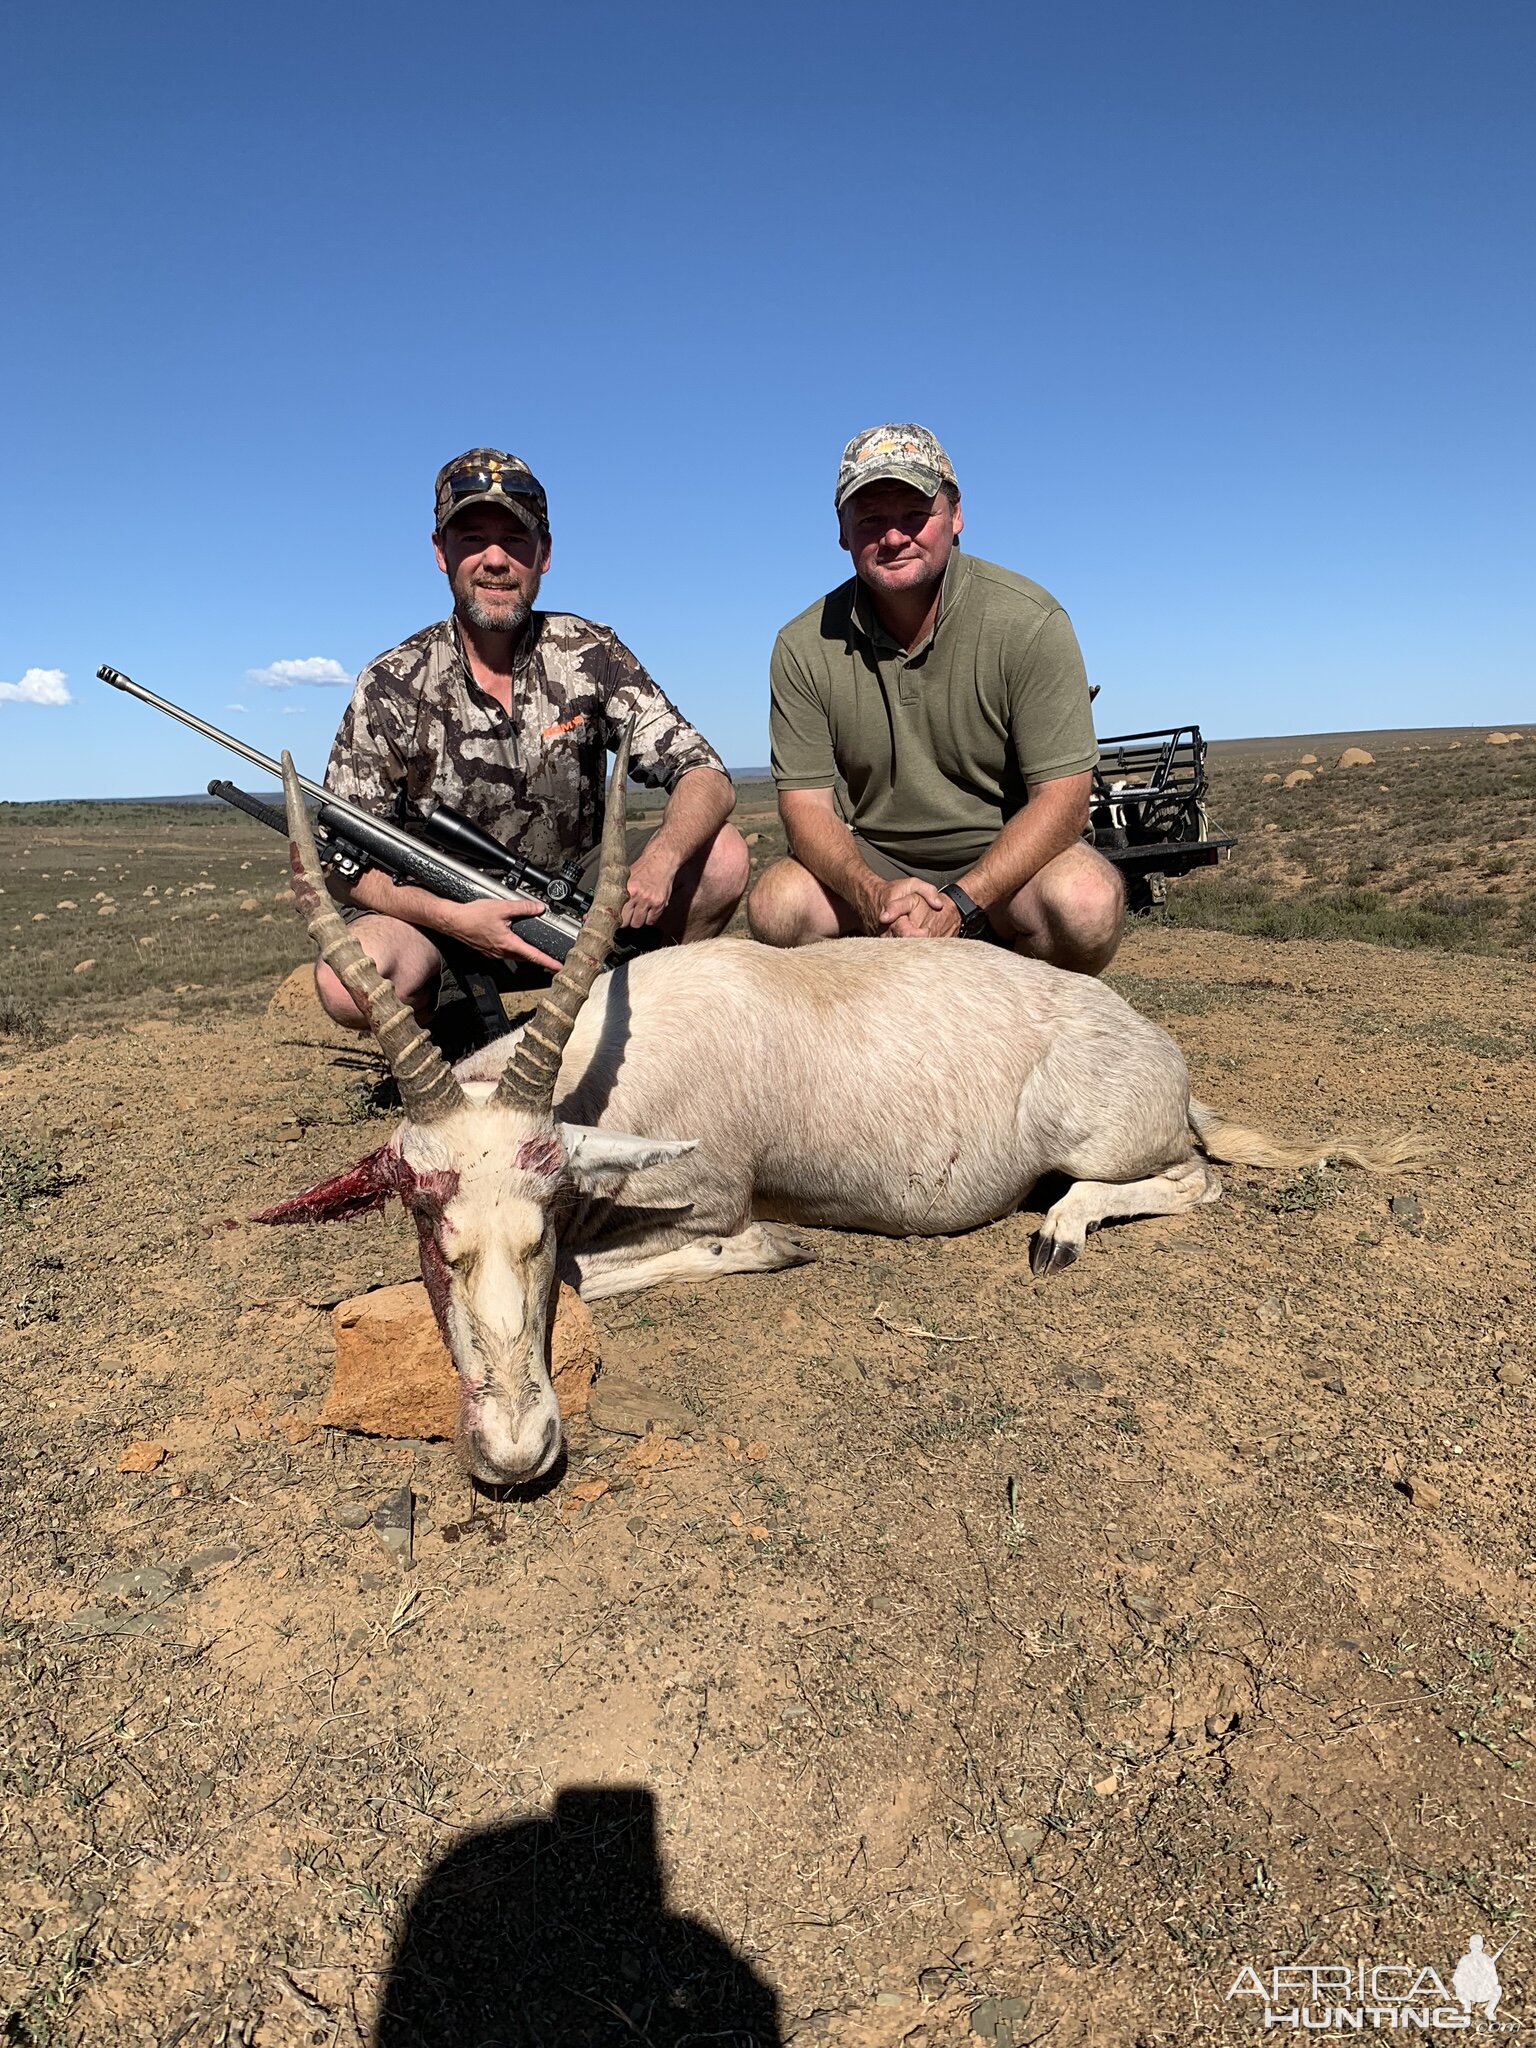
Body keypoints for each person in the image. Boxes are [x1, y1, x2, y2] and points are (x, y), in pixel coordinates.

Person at [318, 448, 748, 1027]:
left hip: (580, 911)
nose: (496, 560)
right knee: (348, 980)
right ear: (441, 552)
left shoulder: (589, 653)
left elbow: (706, 774)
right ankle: (440, 1038)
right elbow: (337, 864)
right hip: (441, 922)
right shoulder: (391, 683)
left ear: (544, 555)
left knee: (721, 857)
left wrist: (660, 862)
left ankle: (651, 1025)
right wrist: (450, 918)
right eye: (473, 539)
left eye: (516, 541)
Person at [748, 423, 1124, 974]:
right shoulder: (802, 644)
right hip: (876, 864)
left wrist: (964, 902)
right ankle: (860, 1040)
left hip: (1006, 863)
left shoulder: (1030, 621)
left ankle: (1027, 1025)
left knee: (1086, 903)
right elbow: (805, 808)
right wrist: (871, 894)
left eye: (914, 514)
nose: (894, 537)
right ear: (843, 531)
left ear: (956, 516)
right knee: (777, 906)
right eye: (871, 518)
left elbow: (1062, 800)